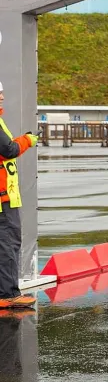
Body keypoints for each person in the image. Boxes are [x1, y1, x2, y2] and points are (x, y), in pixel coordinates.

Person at [0, 82, 37, 310]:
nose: (3, 97)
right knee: (8, 245)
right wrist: (28, 140)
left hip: (5, 196)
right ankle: (8, 294)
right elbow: (8, 150)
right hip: (3, 199)